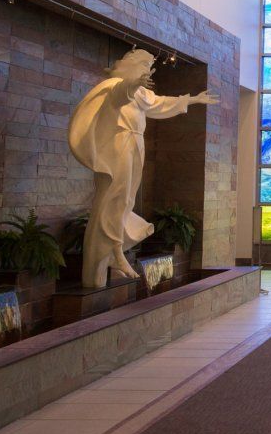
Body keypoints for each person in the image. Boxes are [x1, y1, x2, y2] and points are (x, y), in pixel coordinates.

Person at [68, 49, 218, 288]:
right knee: (115, 198)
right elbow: (120, 95)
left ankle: (115, 250)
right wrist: (131, 83)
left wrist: (193, 99)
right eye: (145, 66)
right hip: (119, 144)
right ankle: (113, 253)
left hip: (136, 144)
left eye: (150, 67)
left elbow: (160, 104)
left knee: (126, 200)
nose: (148, 71)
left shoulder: (141, 93)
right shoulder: (115, 85)